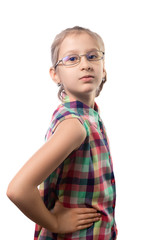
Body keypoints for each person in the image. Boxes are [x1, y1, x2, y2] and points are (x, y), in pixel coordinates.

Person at [7, 26, 117, 240]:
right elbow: (18, 189)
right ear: (55, 74)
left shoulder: (90, 116)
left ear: (103, 68)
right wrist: (55, 222)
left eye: (92, 56)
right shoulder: (74, 126)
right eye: (72, 59)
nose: (85, 64)